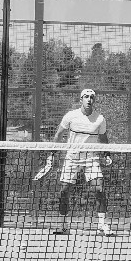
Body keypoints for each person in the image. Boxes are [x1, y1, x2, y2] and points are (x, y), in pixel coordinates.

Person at [50, 88, 113, 235]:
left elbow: (103, 138)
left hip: (91, 158)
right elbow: (58, 135)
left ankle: (102, 225)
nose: (89, 99)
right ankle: (63, 225)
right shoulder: (70, 116)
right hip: (72, 158)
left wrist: (107, 154)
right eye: (86, 97)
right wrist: (52, 154)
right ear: (81, 99)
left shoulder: (100, 119)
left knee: (99, 189)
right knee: (64, 191)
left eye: (91, 97)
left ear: (94, 100)